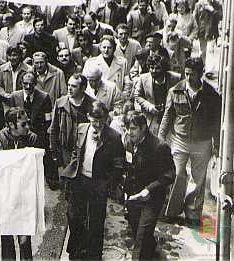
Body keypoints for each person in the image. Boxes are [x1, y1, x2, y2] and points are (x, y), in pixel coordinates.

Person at [159, 57, 221, 226]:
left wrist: (217, 145)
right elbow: (167, 115)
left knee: (198, 180)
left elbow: (216, 121)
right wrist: (160, 138)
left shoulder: (212, 95)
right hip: (180, 139)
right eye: (186, 74)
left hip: (202, 142)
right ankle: (172, 212)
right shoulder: (175, 91)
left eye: (192, 75)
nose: (188, 78)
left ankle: (193, 214)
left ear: (200, 74)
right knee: (178, 175)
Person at [62, 101, 125, 260]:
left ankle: (94, 256)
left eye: (101, 120)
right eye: (94, 120)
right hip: (80, 181)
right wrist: (72, 170)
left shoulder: (114, 137)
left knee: (96, 223)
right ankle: (76, 252)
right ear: (88, 117)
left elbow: (119, 164)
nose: (97, 124)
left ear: (106, 118)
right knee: (74, 217)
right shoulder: (82, 129)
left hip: (99, 185)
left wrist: (109, 184)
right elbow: (75, 151)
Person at [123, 110, 176, 260]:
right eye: (127, 128)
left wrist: (149, 189)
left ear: (143, 127)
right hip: (133, 197)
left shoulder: (159, 147)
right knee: (137, 231)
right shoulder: (128, 141)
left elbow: (170, 174)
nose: (129, 132)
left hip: (151, 199)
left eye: (133, 128)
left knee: (141, 237)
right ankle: (153, 252)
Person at [0, 108, 38, 261]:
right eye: (23, 124)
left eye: (28, 123)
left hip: (24, 196)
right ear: (11, 125)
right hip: (5, 196)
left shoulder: (32, 139)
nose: (28, 128)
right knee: (7, 239)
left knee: (25, 240)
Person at [49, 73, 95, 168]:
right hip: (66, 153)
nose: (69, 88)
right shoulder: (60, 103)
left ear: (83, 88)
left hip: (85, 153)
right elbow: (53, 130)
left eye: (74, 86)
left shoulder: (93, 105)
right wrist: (54, 154)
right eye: (68, 85)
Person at [132, 54, 180, 135]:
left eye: (157, 68)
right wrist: (150, 107)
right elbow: (137, 95)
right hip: (151, 119)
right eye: (151, 68)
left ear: (164, 69)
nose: (153, 71)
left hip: (171, 119)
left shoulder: (175, 78)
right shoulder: (143, 78)